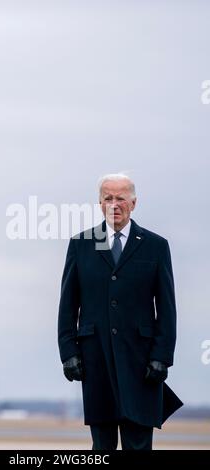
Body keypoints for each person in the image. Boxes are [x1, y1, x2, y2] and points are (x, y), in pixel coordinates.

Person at [57, 173, 183, 450]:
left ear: (134, 203)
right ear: (100, 203)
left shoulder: (155, 246)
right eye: (108, 198)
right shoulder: (82, 245)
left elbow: (167, 308)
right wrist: (68, 353)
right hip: (95, 357)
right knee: (102, 446)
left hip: (141, 362)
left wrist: (162, 357)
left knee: (138, 442)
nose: (115, 204)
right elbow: (68, 306)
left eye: (121, 198)